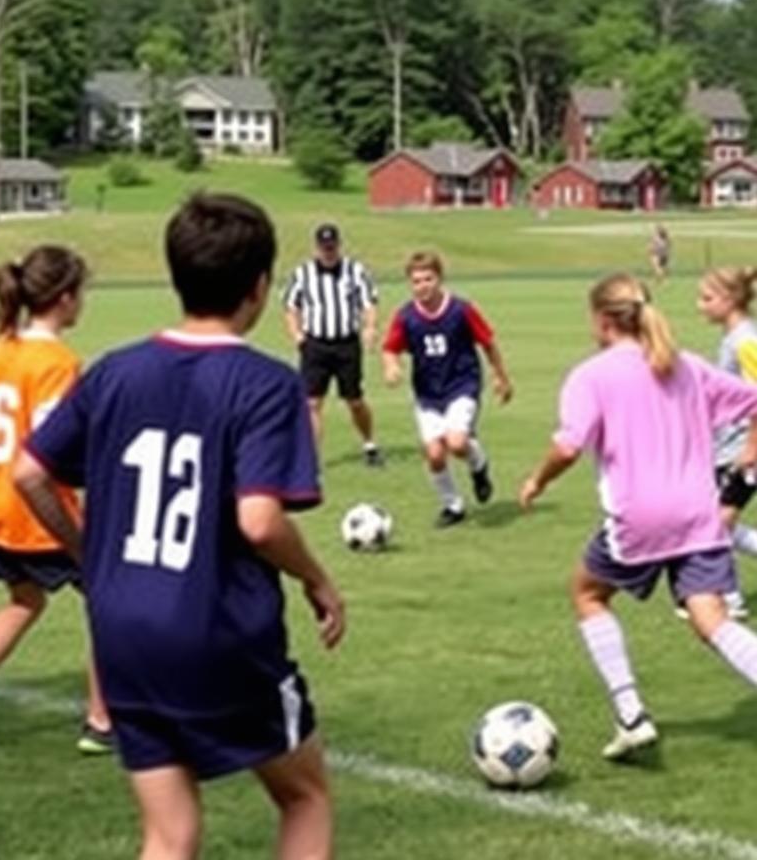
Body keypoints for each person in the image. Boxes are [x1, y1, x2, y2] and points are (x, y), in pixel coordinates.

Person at [14, 193, 344, 860]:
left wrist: (89, 557)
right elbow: (259, 521)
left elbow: (26, 472)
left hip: (123, 629)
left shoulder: (113, 371)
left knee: (170, 833)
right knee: (304, 796)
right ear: (258, 287)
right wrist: (318, 579)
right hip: (217, 629)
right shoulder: (264, 383)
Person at [519, 273, 757, 761]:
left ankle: (631, 715)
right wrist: (751, 448)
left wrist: (537, 480)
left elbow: (568, 445)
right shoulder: (688, 364)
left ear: (603, 320)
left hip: (640, 518)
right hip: (700, 513)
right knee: (711, 618)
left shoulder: (593, 375)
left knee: (587, 593)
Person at [0, 245, 113, 758]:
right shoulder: (58, 362)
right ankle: (102, 721)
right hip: (39, 512)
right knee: (108, 602)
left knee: (25, 600)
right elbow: (49, 439)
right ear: (64, 298)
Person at [382, 251, 513, 528]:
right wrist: (391, 367)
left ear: (439, 279)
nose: (422, 286)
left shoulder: (460, 310)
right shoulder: (406, 317)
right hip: (428, 394)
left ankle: (479, 466)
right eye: (416, 281)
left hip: (462, 385)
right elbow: (390, 348)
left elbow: (488, 343)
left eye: (428, 279)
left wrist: (501, 376)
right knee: (434, 454)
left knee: (455, 443)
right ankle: (452, 505)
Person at [283, 222, 383, 466]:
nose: (328, 252)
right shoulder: (302, 273)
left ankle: (369, 443)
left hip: (346, 344)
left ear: (338, 245)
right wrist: (297, 334)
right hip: (315, 344)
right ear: (316, 248)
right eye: (324, 247)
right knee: (312, 402)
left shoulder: (355, 271)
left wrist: (370, 327)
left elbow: (368, 302)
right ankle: (311, 458)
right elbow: (291, 305)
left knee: (354, 400)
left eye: (332, 247)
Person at [696, 266, 757, 617]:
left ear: (731, 300)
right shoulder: (734, 336)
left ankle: (728, 599)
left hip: (742, 451)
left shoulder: (745, 340)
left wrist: (751, 448)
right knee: (717, 522)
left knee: (716, 523)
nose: (700, 306)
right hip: (727, 448)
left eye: (707, 298)